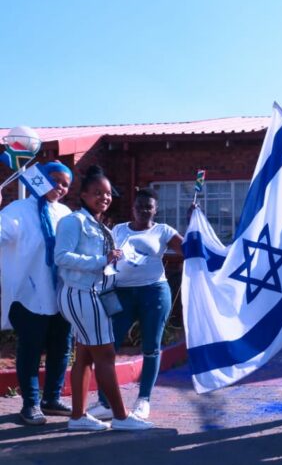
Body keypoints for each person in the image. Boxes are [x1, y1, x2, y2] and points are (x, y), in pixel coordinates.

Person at [54, 165, 153, 431]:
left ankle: (78, 417)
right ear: (83, 194)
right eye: (97, 193)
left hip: (95, 293)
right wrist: (102, 260)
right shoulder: (73, 221)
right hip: (83, 293)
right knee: (106, 355)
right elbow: (61, 257)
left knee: (85, 356)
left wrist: (115, 259)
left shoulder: (99, 225)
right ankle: (121, 417)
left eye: (108, 194)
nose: (104, 198)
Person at [86, 188, 183, 421]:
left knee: (151, 346)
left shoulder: (163, 230)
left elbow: (188, 250)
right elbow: (103, 253)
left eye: (148, 206)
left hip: (154, 292)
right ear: (133, 208)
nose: (143, 210)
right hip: (121, 294)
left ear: (155, 209)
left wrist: (195, 224)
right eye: (139, 206)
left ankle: (143, 400)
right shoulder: (119, 229)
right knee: (109, 345)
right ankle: (105, 402)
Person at [0, 162, 74, 425]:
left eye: (66, 184)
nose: (61, 187)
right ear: (40, 178)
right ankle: (30, 404)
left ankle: (51, 399)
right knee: (30, 349)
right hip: (27, 295)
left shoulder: (65, 213)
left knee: (61, 348)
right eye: (55, 180)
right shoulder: (17, 211)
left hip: (61, 295)